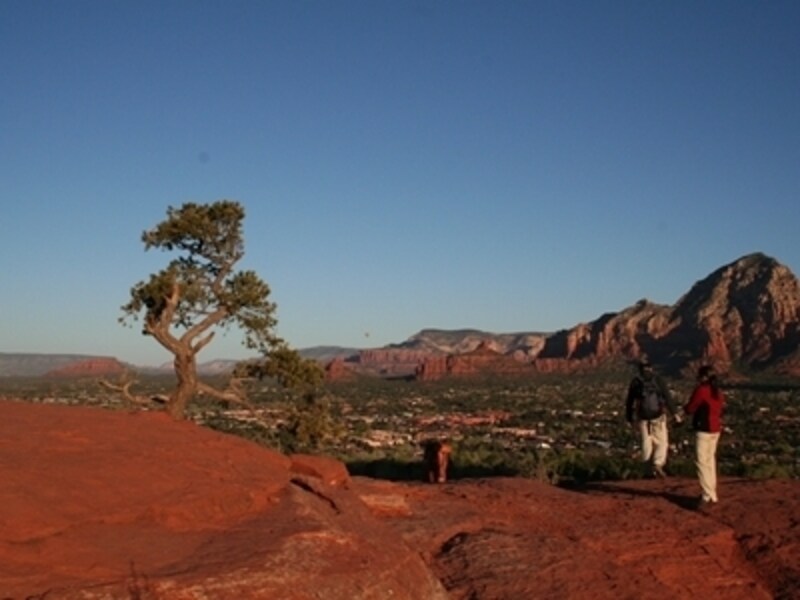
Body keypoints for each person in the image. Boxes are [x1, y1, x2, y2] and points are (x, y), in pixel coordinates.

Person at [625, 359, 681, 478]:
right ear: (651, 368)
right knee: (662, 442)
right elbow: (667, 397)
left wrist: (629, 417)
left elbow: (629, 401)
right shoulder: (658, 380)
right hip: (658, 417)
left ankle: (647, 472)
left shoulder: (636, 382)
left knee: (646, 444)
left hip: (643, 418)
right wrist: (675, 414)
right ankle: (657, 463)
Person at [684, 365, 725, 508]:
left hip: (704, 430)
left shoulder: (701, 390)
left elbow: (690, 408)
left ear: (703, 377)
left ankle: (706, 495)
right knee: (710, 461)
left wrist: (686, 410)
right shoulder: (718, 392)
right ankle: (712, 494)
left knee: (701, 462)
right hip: (716, 429)